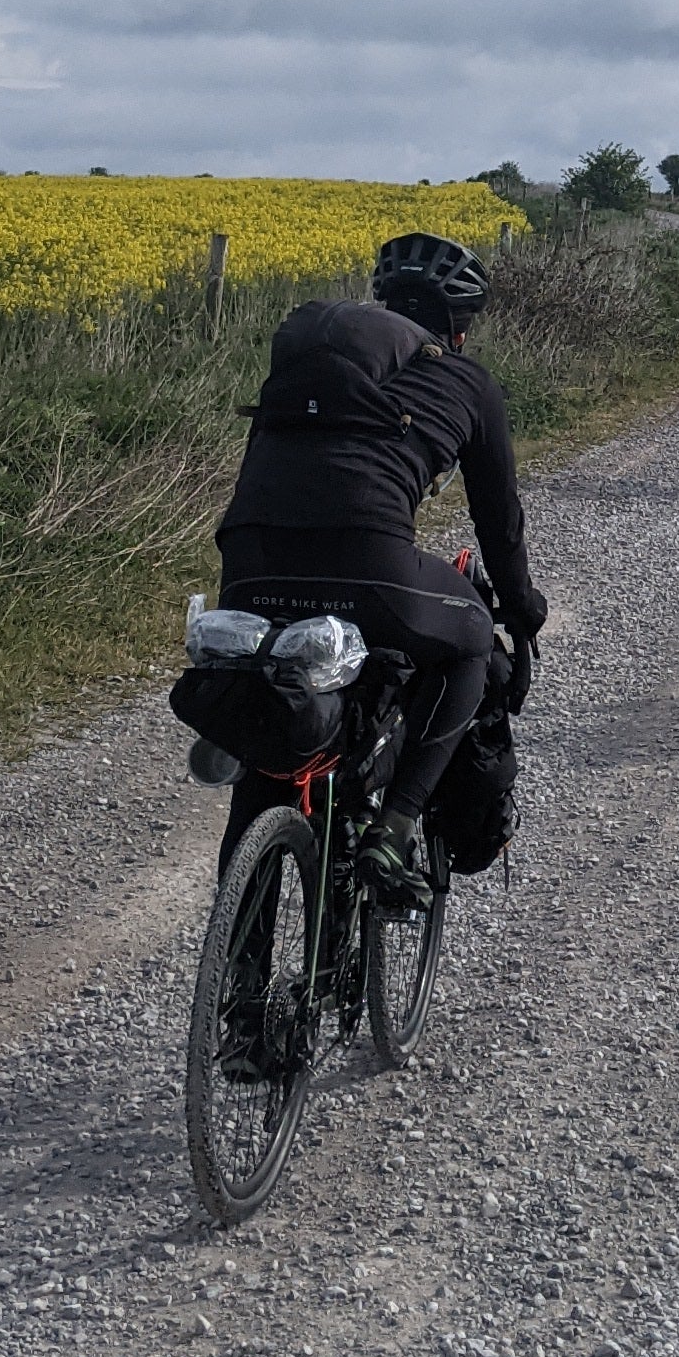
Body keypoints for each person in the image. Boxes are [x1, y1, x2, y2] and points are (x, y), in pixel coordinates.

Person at [212, 233, 546, 909]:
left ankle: (239, 998)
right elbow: (497, 523)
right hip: (372, 566)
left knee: (266, 757)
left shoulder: (310, 366)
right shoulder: (466, 382)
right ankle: (393, 829)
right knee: (471, 639)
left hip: (247, 564)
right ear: (458, 324)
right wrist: (522, 606)